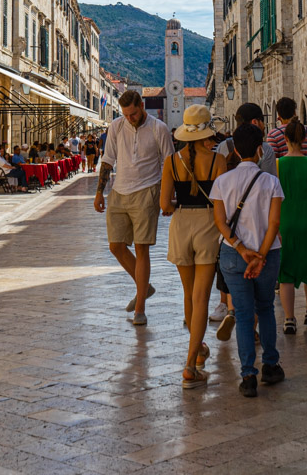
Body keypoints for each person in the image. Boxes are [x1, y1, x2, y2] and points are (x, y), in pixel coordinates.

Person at [210, 123, 286, 397]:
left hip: (233, 254)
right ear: (259, 149)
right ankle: (270, 365)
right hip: (268, 253)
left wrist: (242, 250)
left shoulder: (222, 182)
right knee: (265, 308)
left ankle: (247, 376)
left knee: (242, 314)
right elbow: (274, 222)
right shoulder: (271, 182)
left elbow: (220, 222)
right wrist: (261, 256)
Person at [160, 105, 228, 388]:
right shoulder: (218, 161)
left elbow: (164, 205)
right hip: (208, 226)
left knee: (188, 294)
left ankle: (198, 350)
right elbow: (221, 203)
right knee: (202, 297)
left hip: (181, 224)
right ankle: (190, 364)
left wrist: (178, 204)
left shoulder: (171, 162)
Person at [95, 90, 175, 325]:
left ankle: (140, 309)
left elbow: (169, 164)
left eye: (134, 113)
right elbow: (108, 159)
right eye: (126, 115)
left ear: (142, 105)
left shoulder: (158, 128)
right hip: (119, 192)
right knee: (115, 246)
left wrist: (166, 198)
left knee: (142, 249)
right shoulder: (117, 126)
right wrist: (99, 192)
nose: (130, 118)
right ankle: (145, 287)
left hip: (147, 191)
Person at [276, 120, 307, 332]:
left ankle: (288, 318)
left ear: (285, 139)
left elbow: (274, 198)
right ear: (305, 140)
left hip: (285, 222)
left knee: (285, 271)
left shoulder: (277, 165)